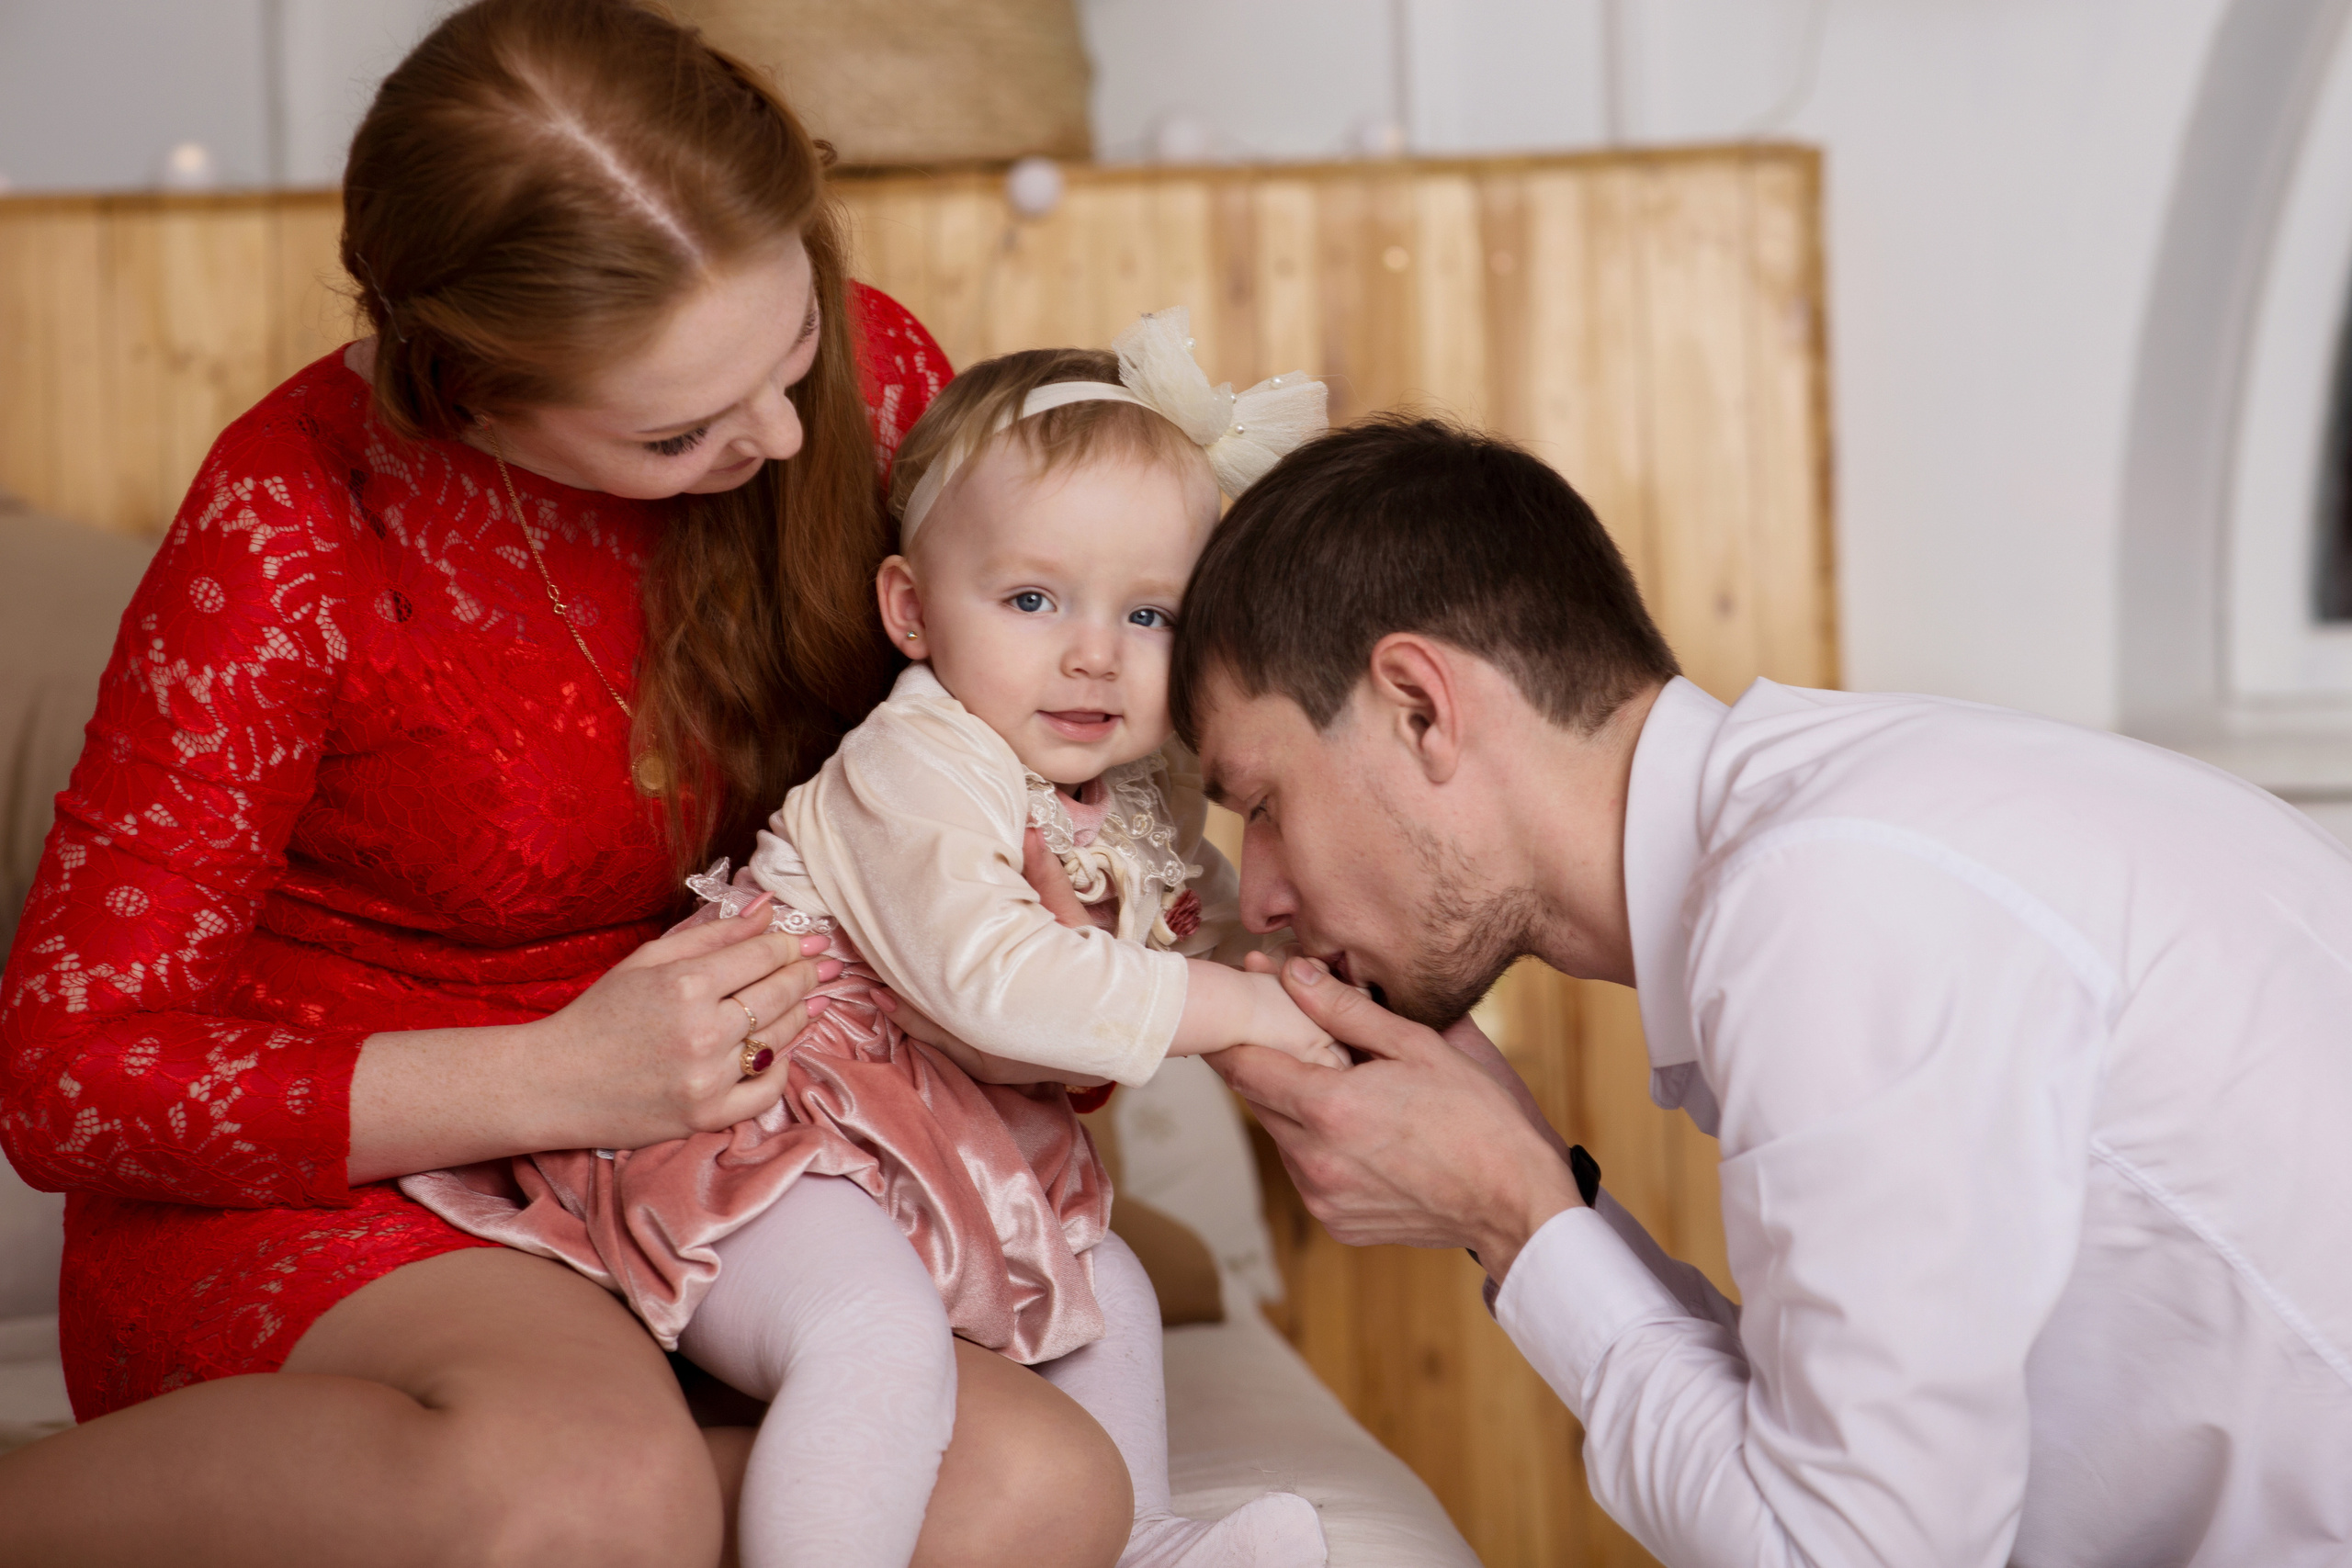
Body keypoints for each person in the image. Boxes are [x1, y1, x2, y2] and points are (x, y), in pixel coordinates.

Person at [0, 3, 1137, 1563]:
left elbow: (957, 810)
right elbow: (69, 1076)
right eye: (678, 431)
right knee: (597, 1489)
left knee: (1041, 1484)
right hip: (356, 1184)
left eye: (797, 338)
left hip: (717, 1160)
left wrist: (1072, 924)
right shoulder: (294, 521)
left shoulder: (860, 395)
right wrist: (557, 1076)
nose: (786, 432)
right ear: (467, 388)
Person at [1170, 415, 2352, 1567]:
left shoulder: (1828, 896)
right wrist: (1537, 1183)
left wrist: (1513, 1216)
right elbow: (1836, 1471)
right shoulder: (1853, 829)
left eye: (1261, 803)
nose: (1261, 895)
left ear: (1419, 707)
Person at [403, 313, 1340, 1568]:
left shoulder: (1135, 783)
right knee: (873, 1330)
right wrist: (1243, 1014)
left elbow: (1197, 919)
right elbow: (993, 979)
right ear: (911, 608)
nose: (1093, 654)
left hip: (930, 1144)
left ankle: (1143, 1537)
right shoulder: (920, 758)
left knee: (1104, 1283)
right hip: (769, 1120)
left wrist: (1304, 981)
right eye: (1031, 596)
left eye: (1152, 615)